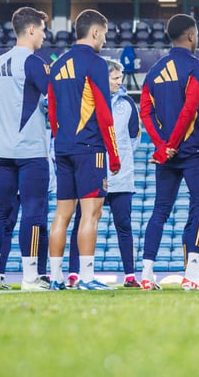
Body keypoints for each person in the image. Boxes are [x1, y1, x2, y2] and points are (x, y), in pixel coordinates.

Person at [138, 14, 199, 290]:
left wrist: (162, 146)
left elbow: (144, 112)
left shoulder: (153, 71)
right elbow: (191, 108)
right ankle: (191, 274)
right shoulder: (197, 67)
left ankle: (146, 274)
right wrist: (172, 144)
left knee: (160, 210)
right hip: (193, 150)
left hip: (166, 154)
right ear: (192, 35)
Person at [47, 9, 119, 291]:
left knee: (62, 214)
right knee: (91, 214)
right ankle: (87, 277)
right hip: (90, 147)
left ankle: (55, 277)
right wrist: (113, 154)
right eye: (105, 33)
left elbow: (51, 111)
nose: (105, 39)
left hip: (62, 146)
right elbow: (103, 111)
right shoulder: (96, 64)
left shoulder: (57, 64)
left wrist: (60, 140)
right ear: (96, 32)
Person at [0, 7, 52, 291]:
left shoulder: (0, 61)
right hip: (31, 148)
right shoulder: (34, 62)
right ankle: (29, 277)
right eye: (43, 30)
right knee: (34, 213)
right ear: (32, 30)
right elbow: (53, 97)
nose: (45, 35)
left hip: (5, 148)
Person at [69, 58, 141, 288]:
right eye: (115, 78)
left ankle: (130, 275)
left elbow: (134, 138)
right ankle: (74, 273)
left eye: (120, 78)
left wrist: (118, 158)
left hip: (120, 176)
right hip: (91, 172)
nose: (120, 82)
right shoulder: (85, 101)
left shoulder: (127, 104)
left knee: (124, 224)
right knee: (82, 221)